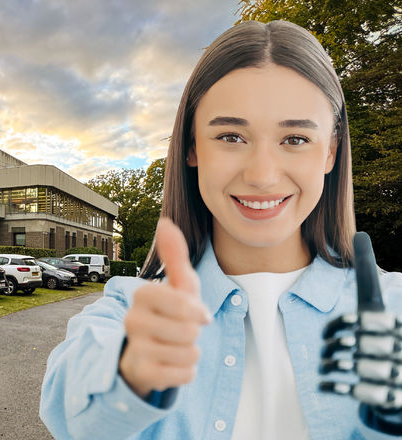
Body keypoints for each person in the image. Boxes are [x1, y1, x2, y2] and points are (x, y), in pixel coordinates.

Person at [39, 19, 402, 439]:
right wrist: (128, 375)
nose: (263, 175)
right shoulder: (131, 311)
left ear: (331, 152)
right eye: (231, 136)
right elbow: (70, 409)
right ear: (192, 146)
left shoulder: (393, 309)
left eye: (296, 139)